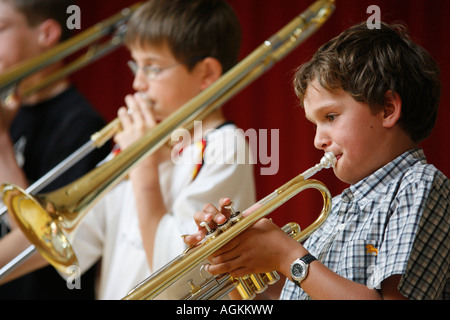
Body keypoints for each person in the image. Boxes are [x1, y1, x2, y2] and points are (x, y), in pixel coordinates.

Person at [0, 0, 256, 300]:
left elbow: (178, 278)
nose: (138, 82)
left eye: (153, 68)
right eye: (136, 65)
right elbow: (59, 241)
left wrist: (142, 163)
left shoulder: (226, 146)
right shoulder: (140, 143)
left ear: (207, 74)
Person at [185, 21, 449, 300]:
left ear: (387, 109)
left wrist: (287, 255)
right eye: (314, 124)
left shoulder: (419, 185)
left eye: (330, 117)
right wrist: (239, 264)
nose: (318, 141)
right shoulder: (339, 206)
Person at [0, 0, 110, 299]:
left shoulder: (83, 126)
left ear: (46, 34)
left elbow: (40, 242)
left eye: (1, 29)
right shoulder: (10, 111)